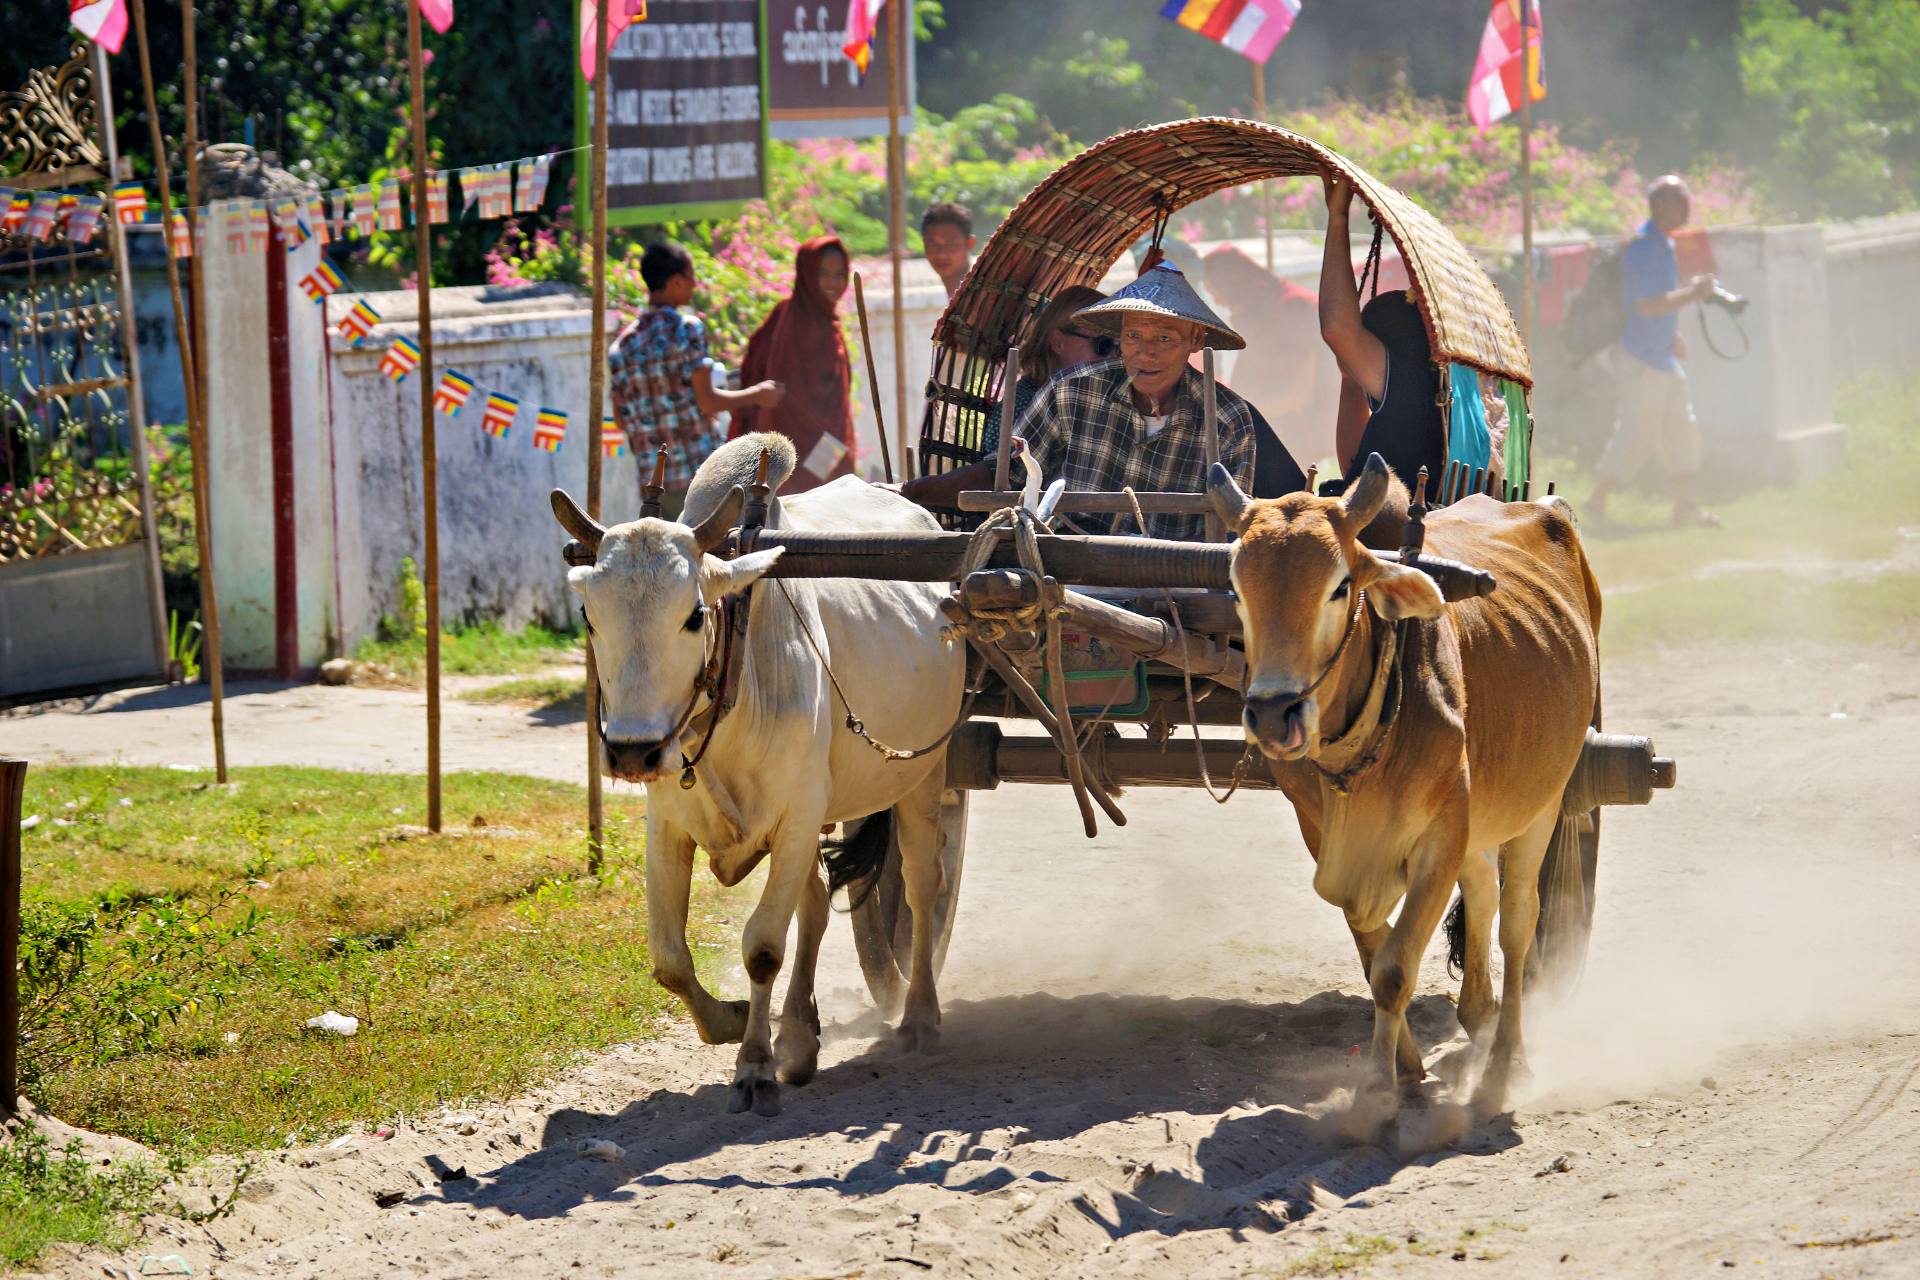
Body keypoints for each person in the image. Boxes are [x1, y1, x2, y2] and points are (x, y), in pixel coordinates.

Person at [909, 264, 1256, 542]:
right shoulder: (1071, 391)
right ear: (1120, 335)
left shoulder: (1226, 418)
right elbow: (1007, 477)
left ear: (1195, 340)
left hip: (1175, 590)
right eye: (1133, 336)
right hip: (1068, 574)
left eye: (1165, 338)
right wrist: (908, 493)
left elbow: (1231, 530)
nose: (1147, 352)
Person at [608, 241, 785, 515]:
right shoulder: (686, 329)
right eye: (691, 278)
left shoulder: (622, 346)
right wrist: (758, 393)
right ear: (676, 282)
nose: (695, 285)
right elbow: (707, 401)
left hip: (653, 483)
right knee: (718, 554)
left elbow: (621, 419)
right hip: (700, 476)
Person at [902, 285, 1112, 510]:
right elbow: (996, 476)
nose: (1112, 357)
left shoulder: (1107, 402)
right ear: (1058, 343)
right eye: (1103, 345)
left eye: (1118, 346)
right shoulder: (1023, 401)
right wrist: (910, 491)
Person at [1588, 175, 1719, 527]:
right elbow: (1645, 305)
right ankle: (1596, 502)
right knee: (1637, 432)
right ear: (1661, 205)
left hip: (1660, 354)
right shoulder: (1645, 247)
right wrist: (1693, 294)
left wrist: (1672, 334)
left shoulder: (1662, 244)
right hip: (1640, 357)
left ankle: (1684, 506)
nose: (1689, 207)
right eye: (1681, 200)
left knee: (1680, 427)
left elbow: (1656, 303)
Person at [731, 235, 857, 493]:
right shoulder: (798, 323)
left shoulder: (819, 319)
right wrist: (820, 469)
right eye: (823, 274)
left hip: (818, 446)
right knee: (813, 513)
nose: (834, 283)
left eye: (840, 274)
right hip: (800, 446)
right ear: (807, 274)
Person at [1203, 244, 1339, 468]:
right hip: (1269, 417)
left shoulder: (1293, 307)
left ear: (1231, 284)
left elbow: (1300, 392)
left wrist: (1242, 416)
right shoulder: (1257, 307)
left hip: (1299, 424)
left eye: (1216, 293)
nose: (1217, 303)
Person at [921, 201, 975, 299]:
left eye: (951, 245)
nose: (941, 254)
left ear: (970, 243)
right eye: (932, 245)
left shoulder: (980, 298)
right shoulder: (955, 298)